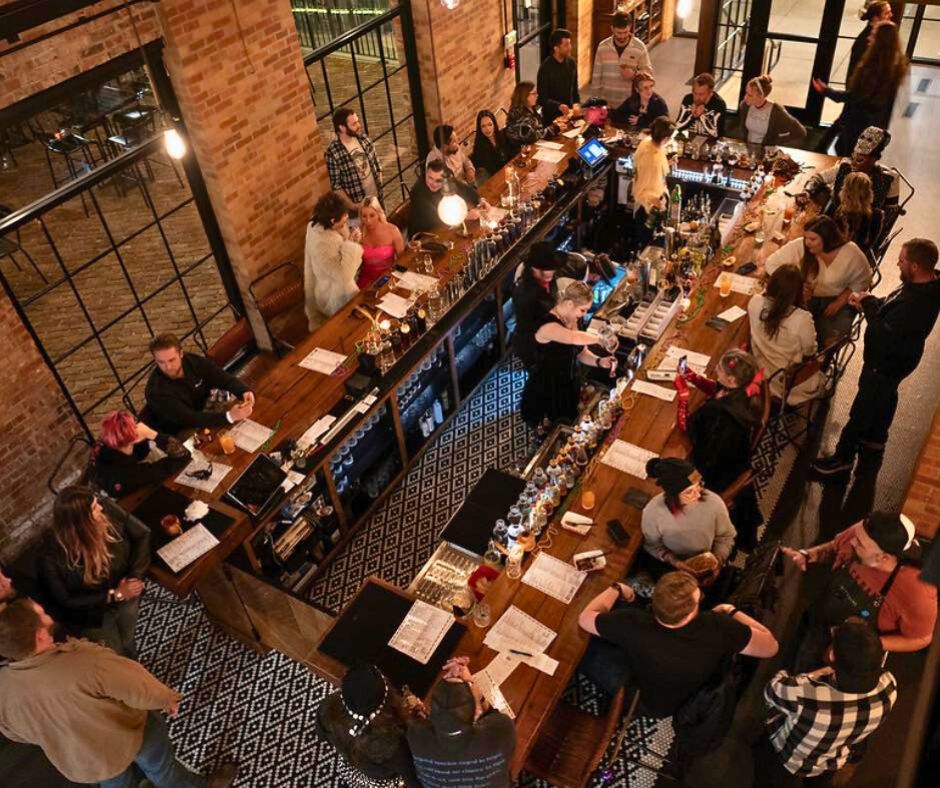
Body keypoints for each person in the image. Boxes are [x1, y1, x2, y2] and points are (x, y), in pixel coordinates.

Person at [0, 598, 238, 788]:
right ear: (40, 636)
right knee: (163, 770)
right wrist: (167, 698)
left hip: (85, 761)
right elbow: (135, 686)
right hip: (128, 735)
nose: (47, 614)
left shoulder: (4, 687)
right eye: (42, 613)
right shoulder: (84, 662)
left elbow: (17, 733)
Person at [813, 238, 940, 474]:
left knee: (862, 408)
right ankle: (875, 440)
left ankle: (842, 458)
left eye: (902, 260)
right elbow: (892, 310)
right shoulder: (924, 286)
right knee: (886, 397)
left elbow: (883, 332)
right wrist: (869, 301)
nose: (897, 264)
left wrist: (868, 305)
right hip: (901, 359)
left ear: (915, 267)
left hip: (886, 362)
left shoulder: (916, 303)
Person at [577, 571, 778, 709]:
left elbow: (585, 618)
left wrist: (617, 588)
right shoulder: (719, 627)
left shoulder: (632, 621)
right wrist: (730, 610)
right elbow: (771, 646)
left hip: (646, 692)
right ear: (690, 612)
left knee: (585, 648)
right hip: (670, 700)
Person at [782, 513, 938, 669]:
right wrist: (810, 555)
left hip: (850, 656)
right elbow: (836, 546)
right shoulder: (861, 534)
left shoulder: (918, 592)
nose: (852, 541)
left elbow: (921, 639)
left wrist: (866, 644)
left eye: (860, 544)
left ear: (883, 558)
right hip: (817, 621)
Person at [755, 619, 898, 787]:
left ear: (832, 655)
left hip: (788, 756)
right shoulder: (890, 687)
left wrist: (818, 673)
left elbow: (772, 690)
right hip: (831, 761)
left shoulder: (808, 696)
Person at [39, 485, 149, 658]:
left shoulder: (107, 512)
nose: (101, 508)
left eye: (97, 503)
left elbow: (143, 534)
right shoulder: (51, 556)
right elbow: (65, 600)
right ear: (81, 521)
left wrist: (133, 580)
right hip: (93, 615)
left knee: (128, 638)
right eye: (95, 508)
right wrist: (115, 594)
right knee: (114, 654)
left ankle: (135, 665)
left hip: (126, 596)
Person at [674, 349, 764, 549]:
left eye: (720, 369)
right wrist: (693, 378)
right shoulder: (743, 393)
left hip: (713, 475)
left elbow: (686, 427)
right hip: (734, 465)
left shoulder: (717, 413)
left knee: (668, 467)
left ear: (732, 380)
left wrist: (683, 395)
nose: (715, 368)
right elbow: (717, 389)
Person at [407, 656, 515, 788]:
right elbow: (491, 714)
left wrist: (452, 687)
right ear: (476, 714)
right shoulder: (501, 729)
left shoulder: (415, 735)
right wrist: (473, 688)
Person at [520, 282, 617, 426]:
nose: (584, 314)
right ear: (570, 304)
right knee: (549, 425)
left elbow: (581, 353)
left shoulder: (573, 319)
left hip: (568, 383)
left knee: (567, 421)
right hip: (548, 386)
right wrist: (601, 340)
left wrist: (599, 361)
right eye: (583, 310)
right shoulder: (548, 325)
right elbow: (574, 338)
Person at [764, 215, 871, 344]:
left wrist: (839, 302)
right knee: (787, 330)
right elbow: (771, 263)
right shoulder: (800, 245)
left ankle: (819, 358)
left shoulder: (850, 252)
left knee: (830, 339)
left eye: (812, 239)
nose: (807, 242)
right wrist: (796, 286)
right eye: (806, 238)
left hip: (838, 299)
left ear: (827, 238)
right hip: (808, 300)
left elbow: (863, 280)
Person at [316, 663, 421, 788]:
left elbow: (322, 735)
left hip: (351, 768)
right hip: (381, 781)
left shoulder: (327, 707)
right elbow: (413, 780)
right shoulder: (396, 743)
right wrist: (418, 718)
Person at [812, 21, 907, 157]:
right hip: (875, 124)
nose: (869, 38)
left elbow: (856, 96)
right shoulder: (895, 67)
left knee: (846, 154)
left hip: (858, 124)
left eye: (873, 35)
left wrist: (827, 91)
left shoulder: (873, 68)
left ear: (880, 41)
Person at [640, 458, 737, 582]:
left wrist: (717, 561)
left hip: (711, 558)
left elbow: (725, 537)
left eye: (699, 485)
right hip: (673, 568)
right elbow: (653, 546)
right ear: (673, 494)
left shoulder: (713, 502)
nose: (697, 495)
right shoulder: (652, 513)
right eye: (689, 492)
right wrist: (675, 562)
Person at [144, 333, 254, 434]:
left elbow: (222, 377)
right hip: (181, 430)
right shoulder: (155, 391)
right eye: (161, 362)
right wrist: (230, 416)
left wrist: (243, 391)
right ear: (155, 360)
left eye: (172, 360)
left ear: (181, 354)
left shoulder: (193, 361)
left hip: (204, 411)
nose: (168, 367)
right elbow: (189, 419)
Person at [747, 266, 824, 405]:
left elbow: (766, 298)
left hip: (759, 370)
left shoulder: (755, 302)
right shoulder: (802, 318)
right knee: (821, 366)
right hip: (786, 381)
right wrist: (802, 303)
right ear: (797, 293)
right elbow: (810, 351)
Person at [89, 410, 191, 498]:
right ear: (133, 438)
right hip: (121, 500)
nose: (138, 426)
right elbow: (183, 456)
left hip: (107, 480)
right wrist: (152, 434)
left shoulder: (108, 443)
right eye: (135, 424)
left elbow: (142, 453)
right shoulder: (129, 473)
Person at [806, 126, 899, 215]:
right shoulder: (845, 167)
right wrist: (806, 192)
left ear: (874, 159)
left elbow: (891, 211)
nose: (855, 163)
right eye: (855, 156)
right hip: (834, 222)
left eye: (861, 160)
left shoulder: (888, 178)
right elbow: (818, 178)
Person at [304, 191, 363, 325]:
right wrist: (352, 244)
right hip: (335, 298)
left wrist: (350, 239)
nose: (345, 224)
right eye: (342, 223)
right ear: (332, 220)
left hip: (336, 289)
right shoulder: (321, 242)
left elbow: (340, 250)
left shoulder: (318, 225)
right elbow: (344, 275)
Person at [511, 240, 568, 370]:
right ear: (531, 268)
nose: (547, 273)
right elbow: (532, 325)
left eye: (549, 268)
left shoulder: (550, 279)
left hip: (547, 337)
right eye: (542, 268)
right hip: (531, 344)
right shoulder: (525, 293)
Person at [325, 107, 383, 212]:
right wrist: (353, 206)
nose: (358, 126)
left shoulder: (363, 138)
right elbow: (336, 187)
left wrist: (379, 182)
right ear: (342, 128)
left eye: (357, 121)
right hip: (358, 207)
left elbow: (376, 163)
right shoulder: (333, 153)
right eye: (354, 124)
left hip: (376, 200)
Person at [589, 12, 652, 108]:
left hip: (630, 104)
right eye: (619, 33)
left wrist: (634, 75)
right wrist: (594, 102)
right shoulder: (602, 47)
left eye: (625, 32)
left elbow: (649, 75)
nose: (622, 36)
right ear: (612, 29)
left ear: (630, 27)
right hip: (607, 103)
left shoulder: (640, 47)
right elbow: (596, 77)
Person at [407, 158, 483, 236]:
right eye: (430, 178)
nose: (433, 183)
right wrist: (466, 216)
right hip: (423, 235)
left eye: (438, 180)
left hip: (445, 229)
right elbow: (435, 218)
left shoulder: (447, 180)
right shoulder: (418, 191)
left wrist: (481, 200)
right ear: (426, 173)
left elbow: (466, 191)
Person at [632, 116, 674, 246]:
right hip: (647, 209)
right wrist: (653, 200)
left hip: (655, 201)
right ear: (665, 139)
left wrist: (671, 158)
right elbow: (639, 191)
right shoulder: (651, 162)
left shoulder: (648, 141)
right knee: (648, 244)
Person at [736, 75, 806, 148]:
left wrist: (774, 141)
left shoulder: (776, 110)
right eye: (746, 93)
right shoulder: (745, 106)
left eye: (750, 95)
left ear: (761, 96)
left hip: (767, 152)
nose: (745, 97)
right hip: (748, 149)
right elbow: (743, 130)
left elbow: (800, 132)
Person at [504, 81, 566, 153]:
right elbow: (532, 136)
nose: (537, 95)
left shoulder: (530, 107)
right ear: (524, 96)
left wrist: (554, 126)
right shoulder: (519, 113)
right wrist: (554, 128)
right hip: (520, 152)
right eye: (534, 93)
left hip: (533, 146)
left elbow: (539, 127)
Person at [832, 171, 882, 256]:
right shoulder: (877, 215)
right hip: (859, 260)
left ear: (846, 192)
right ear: (868, 193)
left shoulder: (841, 213)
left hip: (840, 259)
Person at [358, 197, 404, 290]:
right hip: (366, 280)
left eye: (372, 215)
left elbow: (402, 259)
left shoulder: (392, 230)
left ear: (378, 214)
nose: (368, 221)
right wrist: (352, 242)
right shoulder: (358, 233)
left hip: (388, 277)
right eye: (364, 216)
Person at [536, 28, 580, 124]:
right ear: (556, 48)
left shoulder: (572, 63)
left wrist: (577, 104)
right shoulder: (545, 69)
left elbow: (574, 88)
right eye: (566, 45)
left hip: (570, 114)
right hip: (551, 118)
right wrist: (559, 106)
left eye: (570, 44)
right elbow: (542, 98)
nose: (570, 47)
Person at [675, 72, 727, 139]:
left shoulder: (719, 104)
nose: (697, 98)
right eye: (695, 93)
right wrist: (692, 115)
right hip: (689, 140)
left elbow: (718, 135)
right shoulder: (688, 99)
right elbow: (677, 127)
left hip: (710, 143)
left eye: (701, 94)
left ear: (710, 93)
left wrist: (703, 115)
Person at [470, 110, 511, 179]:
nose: (487, 129)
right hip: (497, 179)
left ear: (494, 124)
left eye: (490, 124)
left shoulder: (503, 136)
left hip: (510, 171)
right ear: (480, 128)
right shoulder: (479, 147)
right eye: (483, 126)